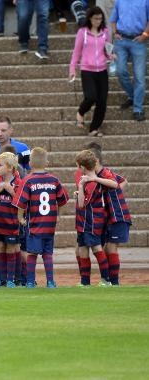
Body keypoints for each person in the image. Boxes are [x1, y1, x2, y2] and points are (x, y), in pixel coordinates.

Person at [13, 147, 69, 288]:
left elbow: (21, 203)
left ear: (30, 163)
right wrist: (59, 215)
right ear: (47, 163)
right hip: (49, 225)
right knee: (47, 254)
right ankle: (50, 281)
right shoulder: (54, 180)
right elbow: (63, 200)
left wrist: (20, 218)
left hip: (35, 224)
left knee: (32, 253)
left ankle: (30, 282)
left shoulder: (28, 181)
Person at [86, 143, 130, 286]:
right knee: (106, 248)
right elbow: (122, 181)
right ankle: (109, 280)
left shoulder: (104, 173)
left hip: (118, 215)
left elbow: (118, 183)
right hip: (109, 217)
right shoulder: (99, 175)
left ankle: (114, 282)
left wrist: (114, 195)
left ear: (96, 161)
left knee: (111, 247)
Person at [74, 149, 117, 287]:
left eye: (78, 166)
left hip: (91, 222)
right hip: (84, 221)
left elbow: (82, 203)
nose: (77, 168)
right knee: (82, 248)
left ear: (83, 167)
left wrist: (80, 187)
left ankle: (106, 279)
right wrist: (80, 191)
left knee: (96, 248)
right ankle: (85, 282)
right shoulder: (91, 181)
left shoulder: (91, 183)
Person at [69, 6, 113, 137]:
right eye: (95, 18)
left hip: (102, 70)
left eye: (100, 18)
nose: (98, 21)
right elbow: (76, 52)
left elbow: (107, 50)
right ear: (90, 18)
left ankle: (94, 128)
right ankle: (80, 113)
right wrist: (72, 68)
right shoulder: (82, 32)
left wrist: (111, 56)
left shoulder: (105, 32)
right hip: (87, 70)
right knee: (91, 96)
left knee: (102, 101)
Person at [110, 0, 149, 122]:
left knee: (139, 76)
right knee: (120, 71)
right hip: (121, 41)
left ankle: (137, 109)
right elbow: (113, 19)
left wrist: (145, 35)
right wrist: (115, 32)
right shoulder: (119, 1)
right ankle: (133, 96)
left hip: (139, 41)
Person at [0, 152, 21, 288]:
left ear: (9, 167)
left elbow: (21, 203)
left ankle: (10, 279)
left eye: (0, 165)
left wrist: (11, 190)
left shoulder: (18, 183)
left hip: (12, 223)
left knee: (10, 249)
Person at [0, 116, 31, 180]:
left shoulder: (23, 149)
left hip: (17, 188)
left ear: (11, 131)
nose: (0, 134)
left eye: (3, 130)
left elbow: (31, 171)